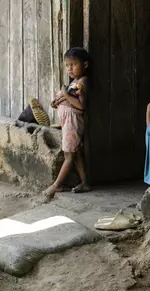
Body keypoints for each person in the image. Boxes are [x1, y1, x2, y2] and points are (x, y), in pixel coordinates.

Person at [45, 47, 91, 197]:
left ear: (85, 65)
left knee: (69, 156)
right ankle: (84, 183)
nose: (70, 68)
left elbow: (81, 105)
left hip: (73, 122)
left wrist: (64, 94)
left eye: (73, 65)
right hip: (67, 122)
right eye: (67, 65)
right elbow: (67, 98)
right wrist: (57, 101)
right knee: (76, 153)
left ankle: (57, 185)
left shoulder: (83, 82)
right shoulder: (74, 82)